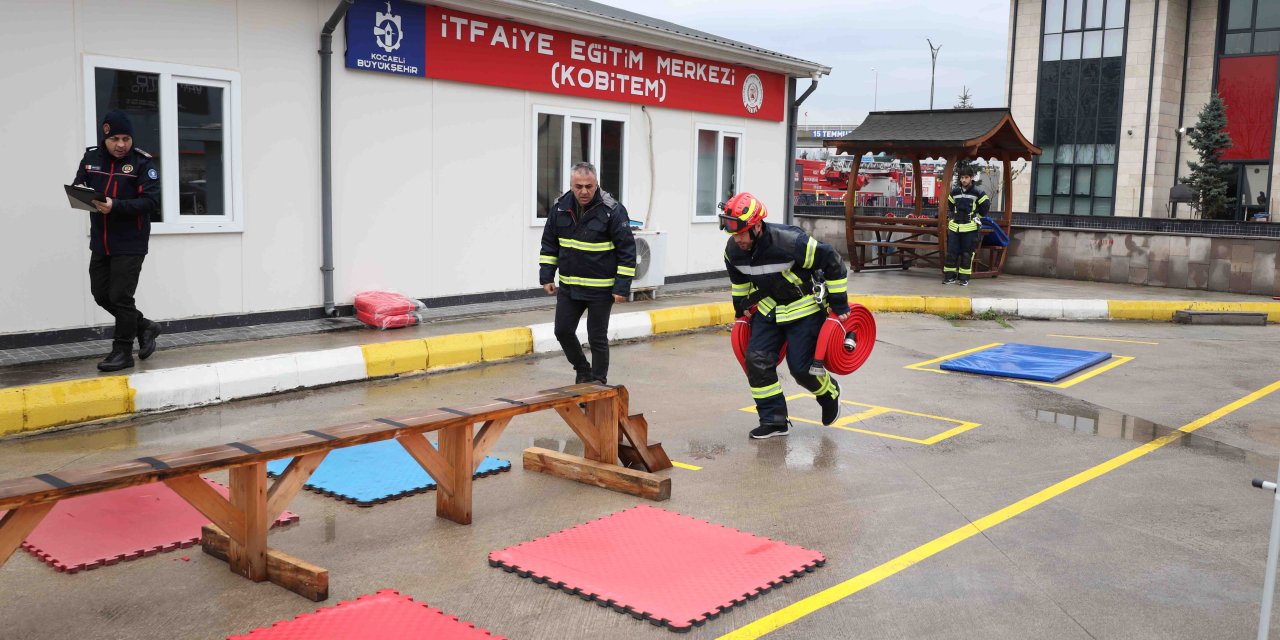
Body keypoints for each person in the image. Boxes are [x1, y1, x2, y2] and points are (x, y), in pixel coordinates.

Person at [722, 192, 851, 439]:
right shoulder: (733, 251)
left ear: (757, 226)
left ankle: (829, 393)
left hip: (805, 306)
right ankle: (773, 421)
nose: (737, 239)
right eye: (733, 233)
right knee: (756, 360)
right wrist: (741, 310)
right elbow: (739, 283)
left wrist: (840, 304)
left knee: (801, 369)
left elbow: (833, 261)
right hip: (770, 308)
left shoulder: (791, 242)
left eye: (741, 233)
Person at [73, 110, 162, 372]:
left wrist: (116, 205)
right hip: (101, 241)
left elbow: (150, 202)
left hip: (131, 241)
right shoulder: (91, 159)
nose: (121, 144)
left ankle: (122, 351)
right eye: (116, 139)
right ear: (106, 136)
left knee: (121, 296)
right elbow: (80, 188)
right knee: (101, 294)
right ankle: (144, 326)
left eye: (126, 138)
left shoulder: (142, 163)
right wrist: (84, 196)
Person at [539, 162, 636, 384]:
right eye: (578, 186)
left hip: (600, 290)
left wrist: (621, 287)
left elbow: (627, 251)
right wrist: (547, 276)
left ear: (597, 185)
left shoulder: (613, 210)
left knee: (597, 339)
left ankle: (598, 383)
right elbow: (549, 244)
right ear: (571, 185)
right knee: (562, 331)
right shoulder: (560, 208)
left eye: (589, 186)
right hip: (569, 288)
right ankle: (583, 370)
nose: (584, 191)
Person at [942, 165, 989, 286]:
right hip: (955, 228)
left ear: (971, 178)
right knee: (951, 253)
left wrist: (976, 217)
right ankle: (949, 277)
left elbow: (985, 206)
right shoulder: (955, 192)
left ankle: (964, 278)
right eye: (962, 177)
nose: (963, 180)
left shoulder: (978, 192)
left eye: (966, 177)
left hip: (970, 228)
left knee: (967, 253)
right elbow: (951, 206)